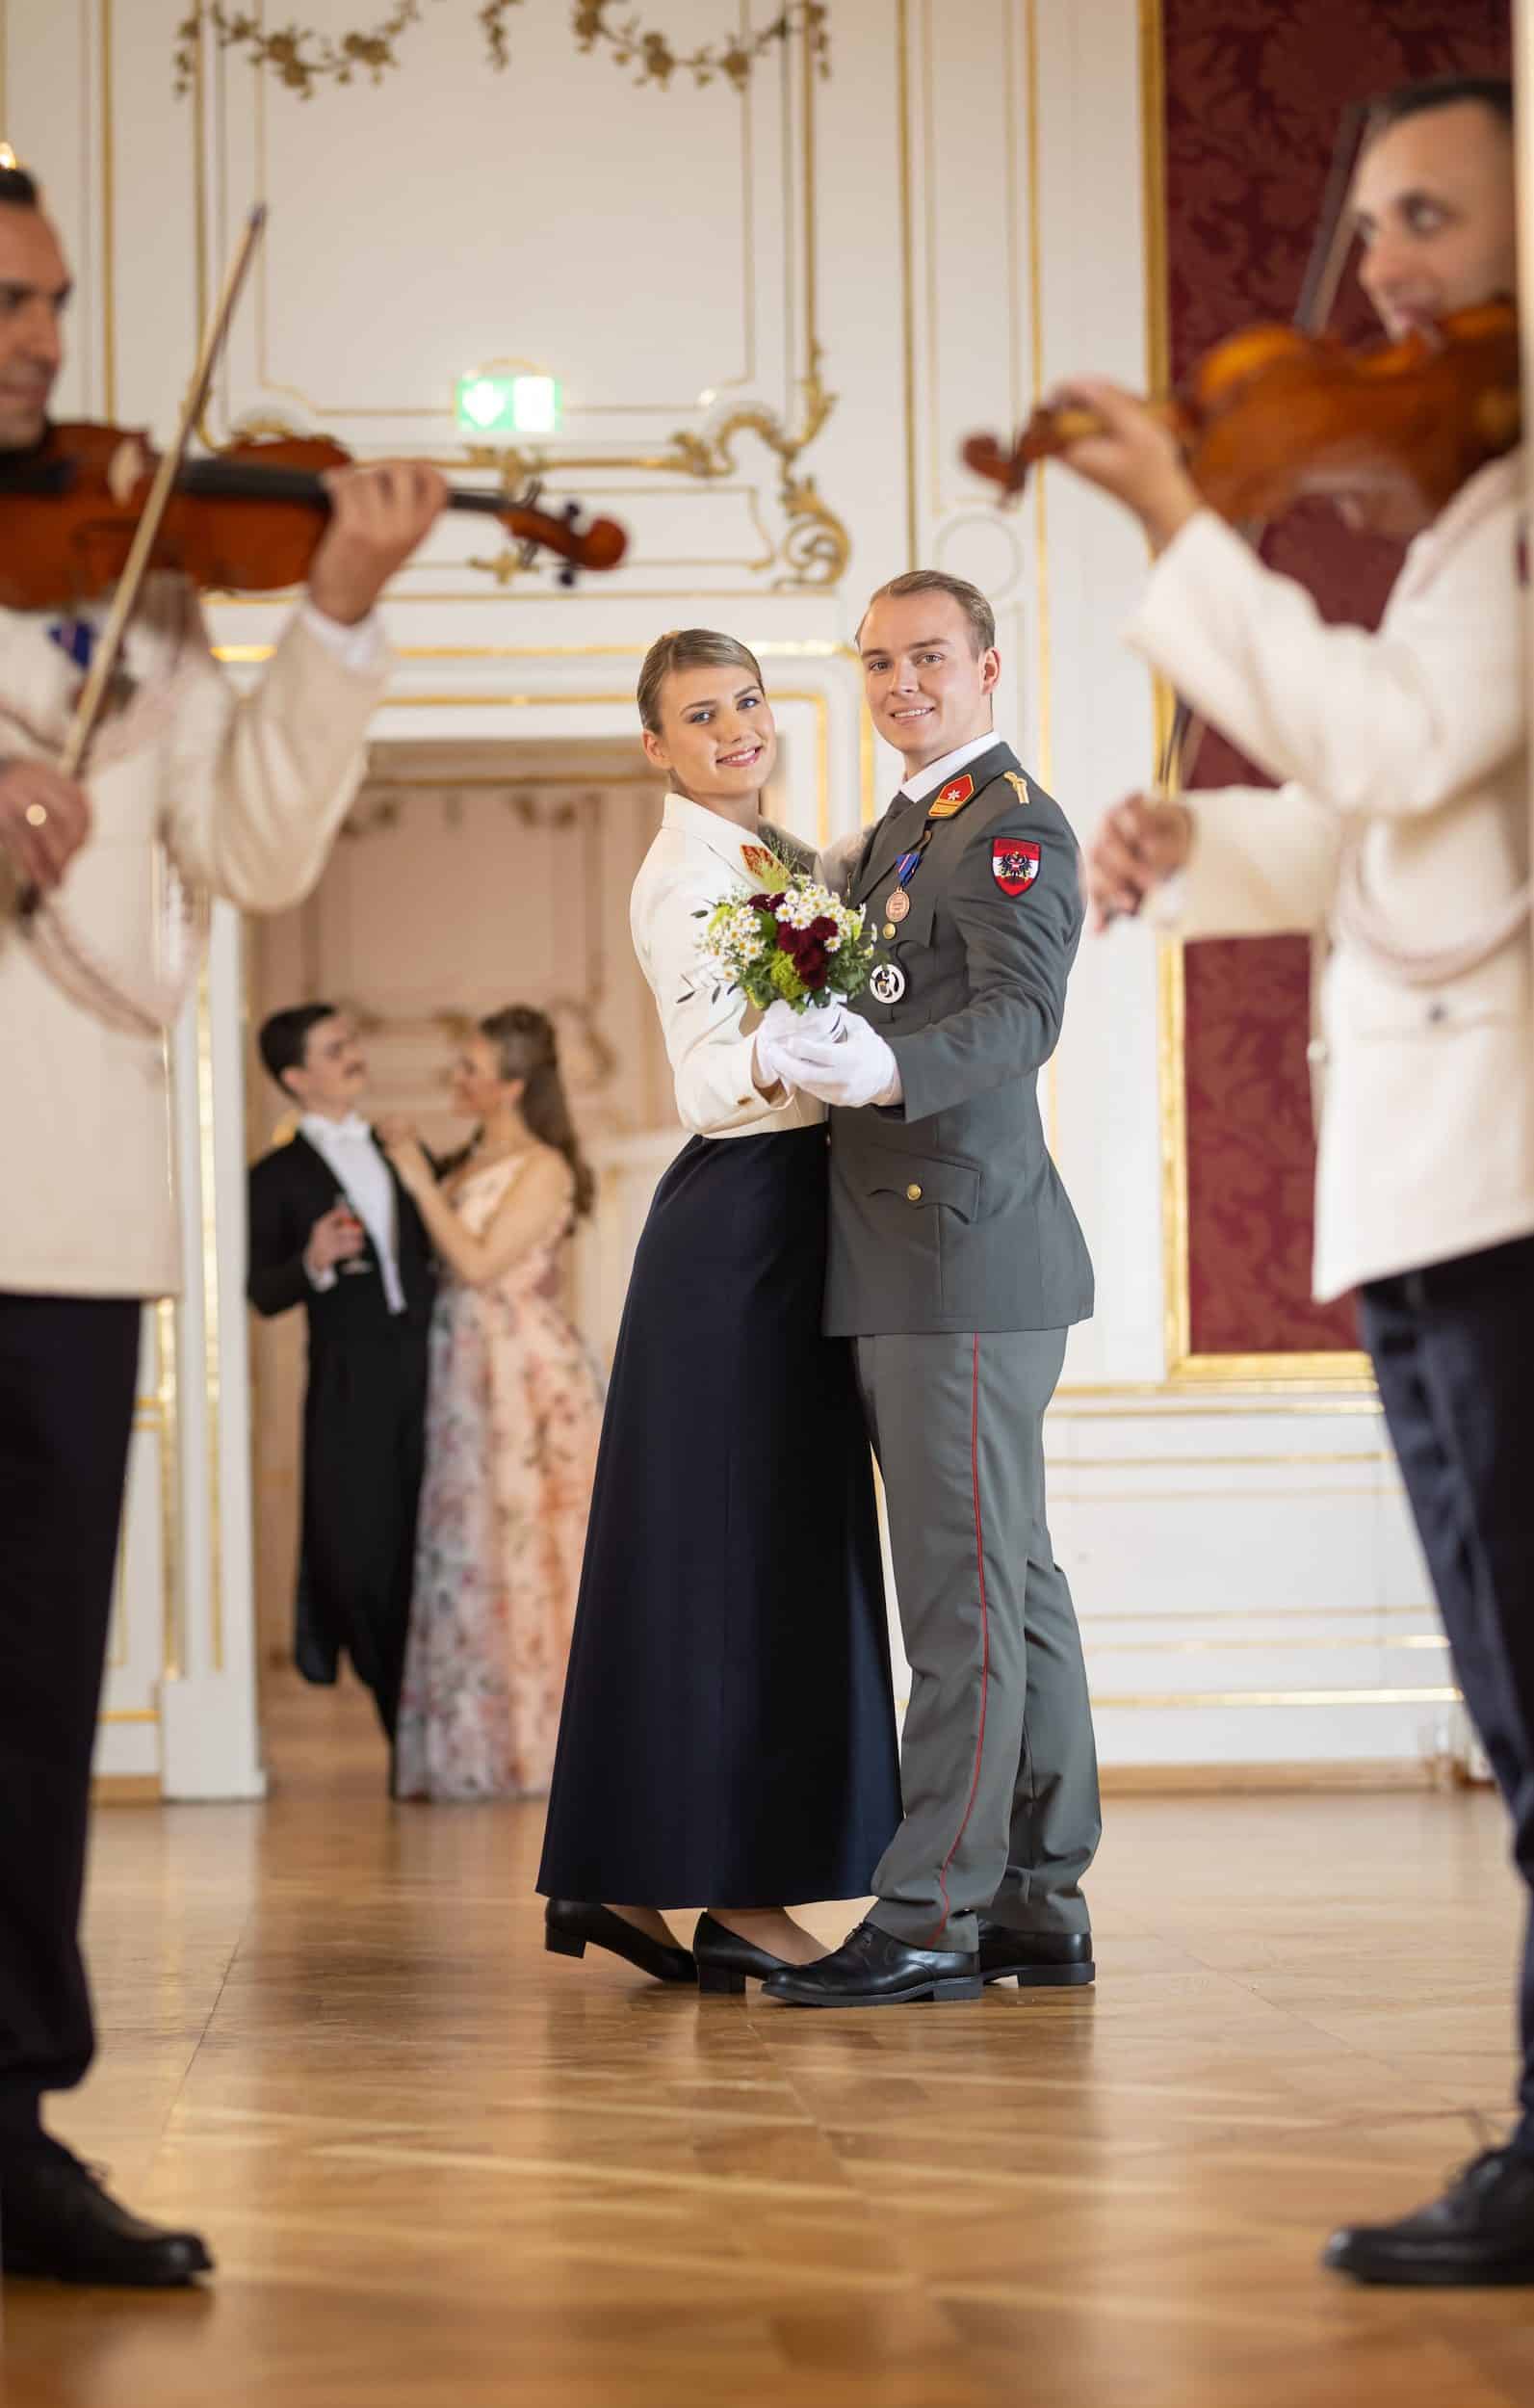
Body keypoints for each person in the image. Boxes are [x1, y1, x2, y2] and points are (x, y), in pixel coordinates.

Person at [1055, 76, 1534, 2285]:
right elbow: (1400, 835)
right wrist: (1207, 843)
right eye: (1364, 229)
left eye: (1428, 217)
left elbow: (1404, 746)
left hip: (1499, 1183)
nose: (1378, 277)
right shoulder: (1466, 514)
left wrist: (1179, 523)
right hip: (1438, 1180)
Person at [0, 158, 448, 2283]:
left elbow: (253, 843)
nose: (41, 342)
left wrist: (337, 612)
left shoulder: (146, 582)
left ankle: (4, 2121)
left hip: (69, 1219)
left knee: (23, 1696)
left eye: (55, 303)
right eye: (7, 301)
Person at [535, 628, 902, 1989]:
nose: (736, 727)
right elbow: (703, 1077)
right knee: (748, 1551)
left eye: (747, 701)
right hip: (741, 1229)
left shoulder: (782, 859)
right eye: (702, 715)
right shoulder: (686, 877)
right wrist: (778, 1046)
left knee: (731, 1545)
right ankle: (740, 1898)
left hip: (785, 1220)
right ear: (657, 748)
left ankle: (621, 1881)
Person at [759, 568, 1102, 2009]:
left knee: (964, 1600)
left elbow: (1019, 1013)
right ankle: (1034, 1893)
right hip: (926, 1254)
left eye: (927, 658)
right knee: (1010, 1584)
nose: (900, 683)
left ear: (986, 667)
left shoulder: (1007, 824)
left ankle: (929, 1915)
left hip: (956, 1256)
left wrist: (892, 1066)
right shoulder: (903, 830)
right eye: (879, 662)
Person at [380, 1008, 605, 1802]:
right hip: (466, 1376)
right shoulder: (475, 1156)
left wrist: (411, 1175)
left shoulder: (542, 1166)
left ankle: (540, 1747)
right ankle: (476, 1743)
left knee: (530, 1551)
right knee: (469, 1553)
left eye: (473, 1069)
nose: (458, 1081)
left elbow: (476, 1262)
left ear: (513, 1084)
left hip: (522, 1381)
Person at [247, 1004, 436, 1770]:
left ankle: (428, 1735)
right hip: (345, 1379)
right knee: (357, 1547)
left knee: (431, 1544)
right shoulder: (274, 1177)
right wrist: (314, 1260)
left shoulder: (400, 1147)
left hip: (430, 1367)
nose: (354, 1055)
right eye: (336, 1048)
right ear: (297, 1077)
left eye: (352, 1042)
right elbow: (262, 1291)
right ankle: (397, 1718)